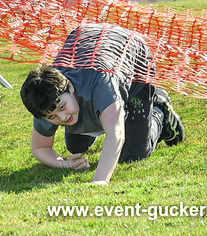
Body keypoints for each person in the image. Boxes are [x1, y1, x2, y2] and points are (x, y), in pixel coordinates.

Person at [20, 23, 185, 184]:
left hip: (132, 56)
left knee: (133, 154)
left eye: (62, 107)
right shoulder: (43, 97)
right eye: (51, 116)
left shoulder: (101, 83)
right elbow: (40, 148)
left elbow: (116, 134)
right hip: (89, 47)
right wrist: (64, 163)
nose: (62, 117)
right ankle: (108, 110)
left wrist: (99, 181)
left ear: (69, 86)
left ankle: (159, 111)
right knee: (76, 146)